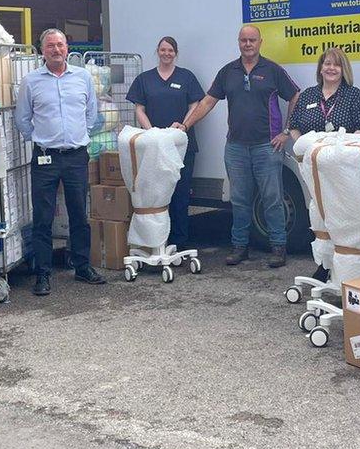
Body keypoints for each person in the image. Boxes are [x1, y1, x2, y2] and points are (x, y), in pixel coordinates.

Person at [177, 25, 300, 268]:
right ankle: (240, 247)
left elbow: (296, 95)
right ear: (238, 42)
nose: (247, 44)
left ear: (260, 42)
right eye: (243, 40)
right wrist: (185, 125)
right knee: (240, 199)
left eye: (252, 40)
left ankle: (278, 248)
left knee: (272, 198)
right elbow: (208, 102)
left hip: (267, 146)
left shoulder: (273, 70)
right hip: (236, 147)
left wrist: (287, 131)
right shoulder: (228, 72)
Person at [15, 28, 104, 296]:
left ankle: (82, 266)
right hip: (46, 157)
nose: (56, 49)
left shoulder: (82, 77)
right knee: (42, 217)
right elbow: (22, 119)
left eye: (61, 45)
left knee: (79, 213)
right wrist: (40, 139)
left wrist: (82, 135)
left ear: (68, 48)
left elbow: (92, 112)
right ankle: (43, 273)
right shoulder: (31, 81)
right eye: (51, 45)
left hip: (76, 155)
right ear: (42, 50)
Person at [288, 47, 360, 281]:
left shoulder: (354, 95)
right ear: (320, 68)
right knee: (319, 214)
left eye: (336, 64)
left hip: (342, 169)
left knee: (342, 215)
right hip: (314, 168)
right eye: (327, 63)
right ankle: (324, 264)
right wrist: (306, 148)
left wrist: (341, 152)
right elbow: (293, 125)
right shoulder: (307, 96)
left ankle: (344, 267)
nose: (331, 68)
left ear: (343, 69)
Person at [125, 36, 204, 250]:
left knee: (180, 195)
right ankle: (157, 243)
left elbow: (195, 104)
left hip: (181, 146)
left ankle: (179, 243)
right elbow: (139, 108)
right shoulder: (145, 79)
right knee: (156, 196)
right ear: (157, 51)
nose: (166, 53)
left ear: (175, 53)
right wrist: (151, 133)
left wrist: (184, 127)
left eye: (170, 50)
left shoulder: (186, 77)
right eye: (163, 50)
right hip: (152, 148)